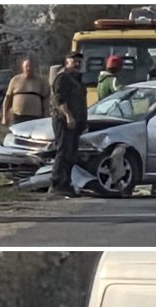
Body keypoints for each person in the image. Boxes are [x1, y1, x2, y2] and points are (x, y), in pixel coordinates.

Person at [48, 51, 87, 198]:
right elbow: (60, 100)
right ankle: (57, 184)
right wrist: (68, 116)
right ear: (66, 62)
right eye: (74, 61)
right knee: (63, 151)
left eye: (79, 61)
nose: (77, 64)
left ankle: (66, 183)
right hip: (63, 121)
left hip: (76, 121)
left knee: (71, 153)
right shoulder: (62, 78)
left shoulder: (76, 79)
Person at [1, 56, 52, 126]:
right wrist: (4, 117)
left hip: (36, 118)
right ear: (23, 67)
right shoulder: (15, 80)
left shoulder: (40, 82)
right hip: (17, 117)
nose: (29, 68)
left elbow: (46, 100)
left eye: (31, 66)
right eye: (26, 66)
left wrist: (46, 115)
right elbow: (7, 99)